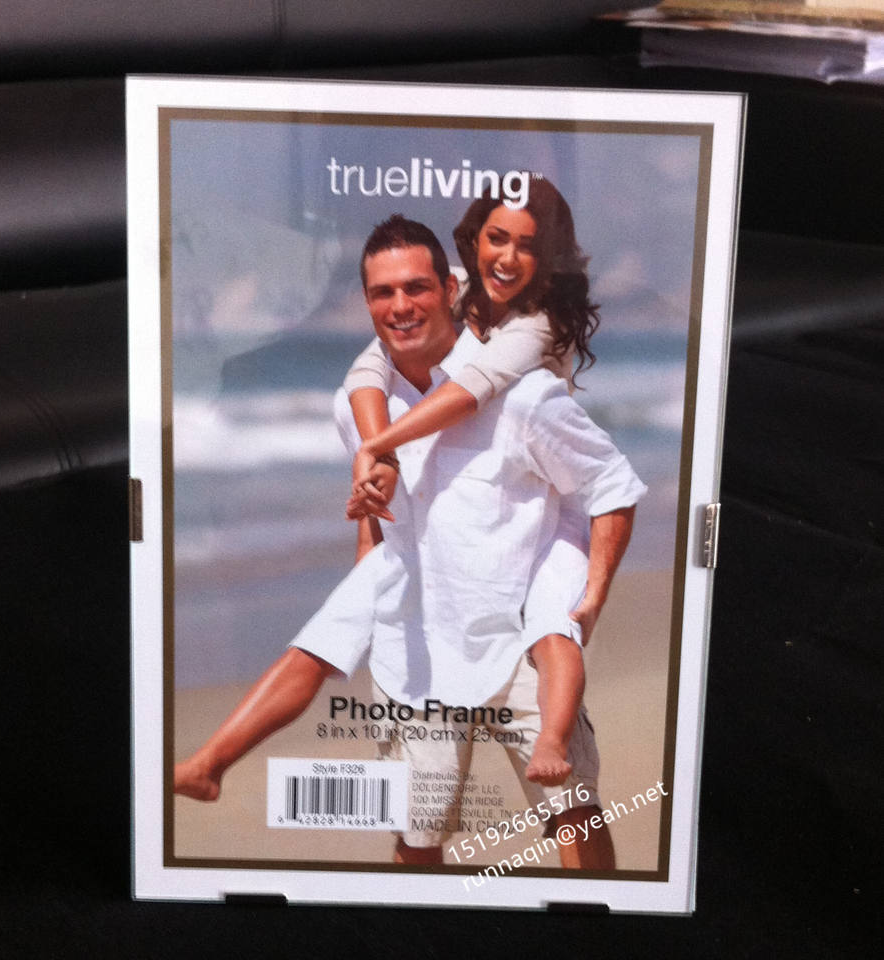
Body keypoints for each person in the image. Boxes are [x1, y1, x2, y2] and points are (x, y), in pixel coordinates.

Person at [176, 216, 645, 869]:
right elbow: (377, 511)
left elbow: (610, 485)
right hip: (418, 650)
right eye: (382, 292)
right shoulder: (358, 405)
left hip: (519, 640)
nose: (400, 306)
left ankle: (596, 921)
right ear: (365, 302)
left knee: (572, 809)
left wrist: (589, 595)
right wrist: (365, 581)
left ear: (450, 289)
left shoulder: (523, 396)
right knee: (418, 835)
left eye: (416, 288)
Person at [344, 177, 602, 785]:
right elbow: (369, 365)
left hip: (536, 516)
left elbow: (469, 391)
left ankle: (554, 741)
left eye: (528, 245)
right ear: (474, 239)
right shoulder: (453, 291)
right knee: (423, 808)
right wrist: (380, 456)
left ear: (549, 256)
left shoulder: (539, 324)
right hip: (460, 519)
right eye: (496, 238)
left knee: (551, 632)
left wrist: (377, 447)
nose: (507, 258)